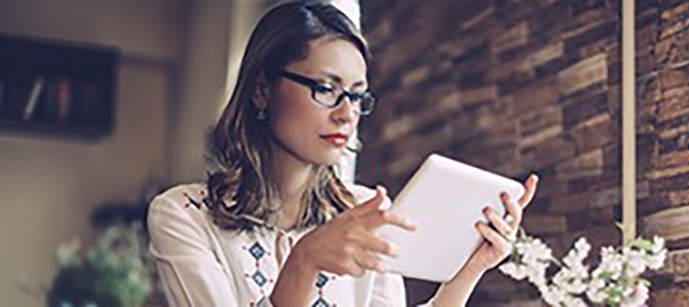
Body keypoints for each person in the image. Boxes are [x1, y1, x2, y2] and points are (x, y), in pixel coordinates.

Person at [147, 2, 539, 306]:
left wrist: (470, 270)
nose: (346, 113)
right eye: (326, 89)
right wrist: (303, 263)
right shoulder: (182, 215)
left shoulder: (365, 210)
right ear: (262, 90)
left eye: (355, 95)